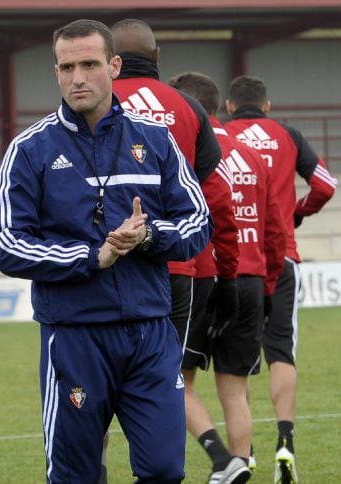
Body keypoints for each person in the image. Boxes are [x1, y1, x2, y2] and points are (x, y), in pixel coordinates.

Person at [0, 19, 212, 483]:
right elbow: (7, 245)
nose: (78, 78)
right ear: (55, 73)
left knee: (166, 470)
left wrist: (148, 237)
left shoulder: (155, 141)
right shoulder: (28, 150)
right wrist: (93, 256)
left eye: (89, 64)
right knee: (75, 475)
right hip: (74, 337)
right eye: (67, 67)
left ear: (113, 66)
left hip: (151, 333)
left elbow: (197, 221)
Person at [110, 18, 240, 483]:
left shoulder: (94, 104)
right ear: (158, 56)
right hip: (178, 268)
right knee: (165, 380)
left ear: (111, 60)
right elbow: (217, 197)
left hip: (106, 269)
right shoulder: (188, 108)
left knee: (93, 383)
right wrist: (227, 275)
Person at [169, 71, 287, 484]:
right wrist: (270, 286)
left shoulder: (182, 151)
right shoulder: (251, 154)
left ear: (188, 108)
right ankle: (241, 464)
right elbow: (275, 227)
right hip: (251, 279)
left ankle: (221, 457)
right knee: (235, 387)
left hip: (205, 277)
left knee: (176, 379)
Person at [224, 75, 338, 484]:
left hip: (234, 260)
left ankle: (245, 452)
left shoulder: (218, 136)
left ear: (229, 106)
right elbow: (326, 184)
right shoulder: (287, 135)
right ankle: (285, 443)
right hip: (283, 255)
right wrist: (299, 212)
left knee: (237, 363)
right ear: (267, 106)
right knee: (281, 353)